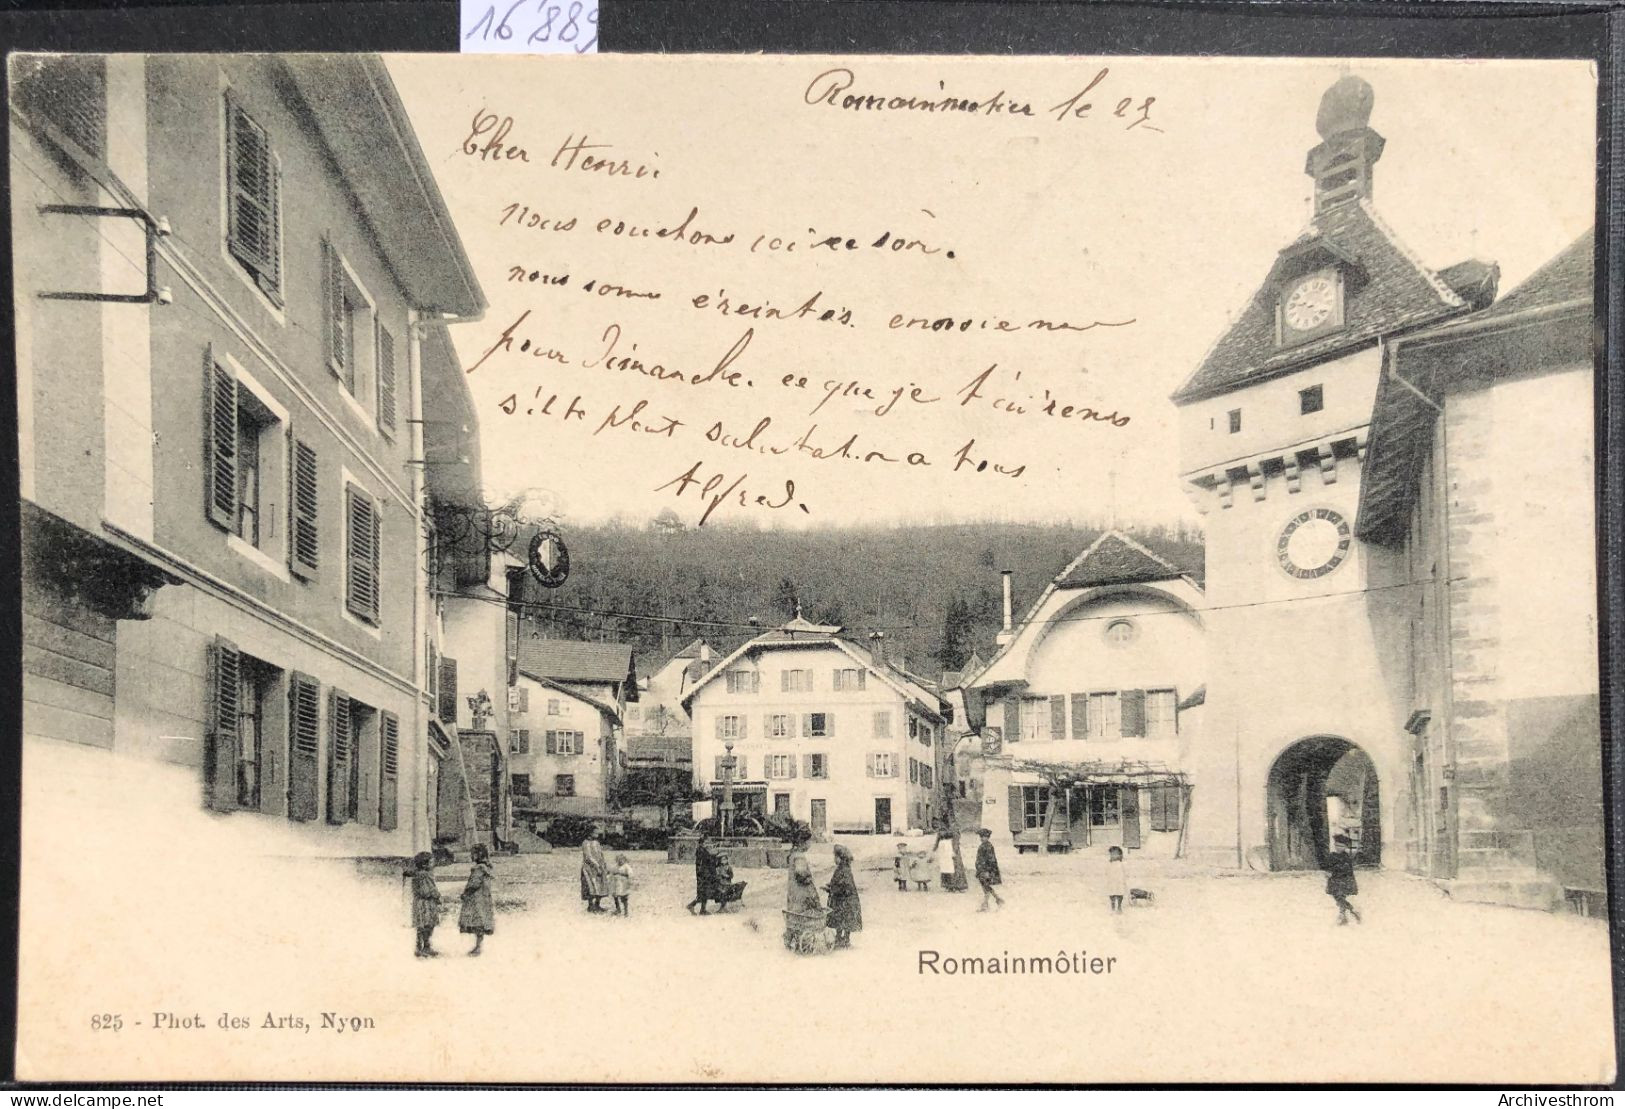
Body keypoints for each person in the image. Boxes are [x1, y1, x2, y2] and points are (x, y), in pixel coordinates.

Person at [458, 844, 495, 955]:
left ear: (478, 854)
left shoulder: (479, 868)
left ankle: (478, 947)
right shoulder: (485, 867)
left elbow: (474, 884)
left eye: (472, 854)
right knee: (480, 921)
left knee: (478, 922)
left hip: (476, 899)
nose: (470, 856)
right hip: (483, 898)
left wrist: (465, 893)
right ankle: (478, 945)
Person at [824, 843, 863, 949]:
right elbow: (837, 882)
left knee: (846, 920)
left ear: (841, 858)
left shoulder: (845, 870)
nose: (834, 859)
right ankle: (839, 938)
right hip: (841, 900)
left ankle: (845, 939)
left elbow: (844, 886)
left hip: (846, 901)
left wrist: (832, 889)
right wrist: (831, 886)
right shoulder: (840, 869)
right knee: (840, 919)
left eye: (835, 857)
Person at [783, 852, 825, 950]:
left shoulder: (793, 854)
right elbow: (801, 873)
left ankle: (793, 939)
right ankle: (802, 941)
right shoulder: (799, 856)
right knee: (804, 916)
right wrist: (809, 879)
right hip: (801, 894)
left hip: (794, 893)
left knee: (795, 916)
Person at [404, 851, 442, 958]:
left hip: (424, 903)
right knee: (425, 926)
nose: (433, 864)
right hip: (425, 904)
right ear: (425, 864)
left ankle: (424, 946)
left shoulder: (421, 874)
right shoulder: (423, 875)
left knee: (425, 926)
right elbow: (426, 891)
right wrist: (436, 895)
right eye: (431, 862)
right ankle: (422, 947)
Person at [1325, 833, 1363, 925]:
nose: (1338, 847)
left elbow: (1347, 870)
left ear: (1345, 847)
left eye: (1341, 846)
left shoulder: (1346, 857)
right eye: (1337, 845)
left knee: (1340, 897)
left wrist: (1334, 871)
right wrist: (1328, 872)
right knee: (1338, 897)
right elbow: (1328, 865)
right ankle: (1351, 911)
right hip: (1334, 881)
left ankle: (1344, 915)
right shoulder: (1332, 855)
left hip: (1344, 881)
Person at [974, 828, 1005, 912]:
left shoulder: (988, 846)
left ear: (988, 837)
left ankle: (985, 905)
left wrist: (988, 871)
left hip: (986, 870)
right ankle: (998, 900)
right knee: (986, 887)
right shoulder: (983, 845)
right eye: (981, 836)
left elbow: (991, 860)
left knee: (986, 887)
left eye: (983, 836)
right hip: (981, 869)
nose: (981, 838)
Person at [686, 834, 717, 915]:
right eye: (707, 841)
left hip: (703, 874)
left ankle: (701, 909)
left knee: (703, 893)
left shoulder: (701, 850)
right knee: (704, 892)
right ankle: (694, 906)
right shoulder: (701, 850)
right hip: (704, 875)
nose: (708, 843)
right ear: (703, 842)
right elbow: (704, 862)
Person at [580, 831, 609, 913]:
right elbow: (588, 857)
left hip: (600, 867)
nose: (597, 834)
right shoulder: (585, 843)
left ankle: (597, 904)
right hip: (589, 868)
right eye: (595, 832)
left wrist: (603, 865)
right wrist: (596, 866)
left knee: (600, 886)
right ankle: (590, 906)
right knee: (591, 886)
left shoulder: (597, 843)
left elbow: (600, 854)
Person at [1106, 844, 1128, 914]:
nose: (1112, 856)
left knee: (1120, 893)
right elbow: (1107, 872)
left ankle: (1119, 907)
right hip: (1112, 881)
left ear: (1119, 855)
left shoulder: (1121, 864)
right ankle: (1112, 907)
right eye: (1111, 854)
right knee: (1111, 893)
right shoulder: (1110, 864)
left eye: (1115, 854)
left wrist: (1123, 881)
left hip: (1119, 880)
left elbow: (1124, 873)